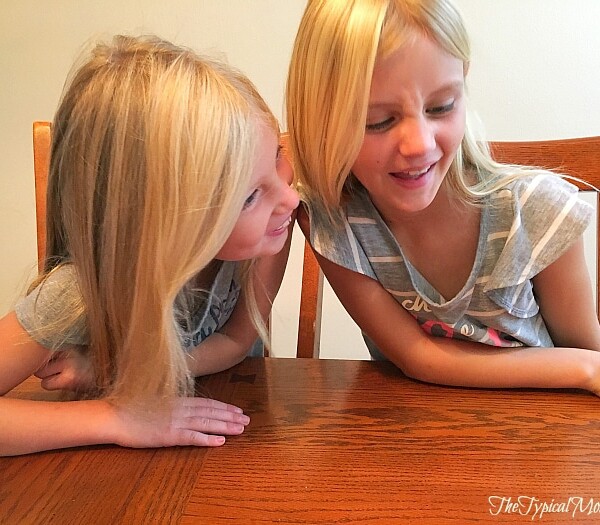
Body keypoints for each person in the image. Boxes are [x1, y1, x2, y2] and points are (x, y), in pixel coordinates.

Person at [0, 34, 299, 456]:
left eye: (277, 158)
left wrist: (108, 372)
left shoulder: (260, 244)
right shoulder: (77, 294)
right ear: (162, 222)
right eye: (249, 196)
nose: (290, 198)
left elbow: (236, 343)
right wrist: (116, 415)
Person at [286, 0, 600, 395]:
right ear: (320, 121)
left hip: (541, 441)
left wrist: (588, 368)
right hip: (410, 442)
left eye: (441, 107)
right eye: (378, 121)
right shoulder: (334, 221)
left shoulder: (537, 212)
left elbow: (590, 357)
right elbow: (415, 356)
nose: (419, 145)